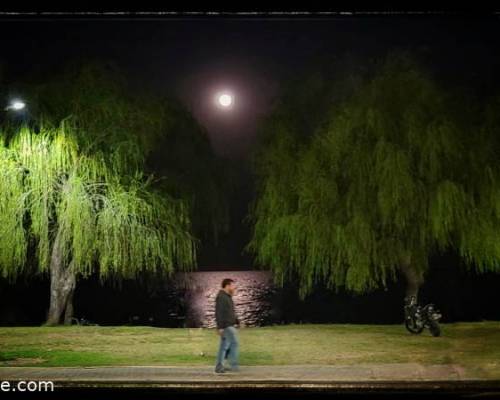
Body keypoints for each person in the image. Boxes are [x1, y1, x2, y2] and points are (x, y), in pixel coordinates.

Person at [214, 278, 240, 373]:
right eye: (233, 285)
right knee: (234, 344)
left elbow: (230, 312)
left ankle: (220, 366)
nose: (234, 287)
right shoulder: (221, 297)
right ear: (227, 286)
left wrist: (237, 322)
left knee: (225, 346)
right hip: (226, 326)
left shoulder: (227, 297)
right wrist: (220, 327)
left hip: (230, 325)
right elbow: (219, 313)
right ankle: (233, 365)